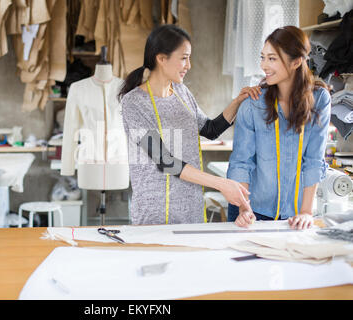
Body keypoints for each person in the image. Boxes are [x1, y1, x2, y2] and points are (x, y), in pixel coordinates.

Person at [119, 24, 260, 225]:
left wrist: (238, 102)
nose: (189, 65)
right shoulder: (134, 103)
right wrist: (221, 184)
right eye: (184, 58)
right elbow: (166, 161)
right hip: (156, 212)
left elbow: (210, 130)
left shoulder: (182, 93)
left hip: (191, 205)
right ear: (161, 58)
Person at [227, 26, 331, 230]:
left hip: (296, 215)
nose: (264, 65)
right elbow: (241, 162)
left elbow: (314, 160)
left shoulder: (319, 100)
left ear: (296, 61)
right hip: (252, 210)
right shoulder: (253, 103)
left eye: (272, 59)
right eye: (263, 57)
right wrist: (244, 209)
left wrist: (306, 212)